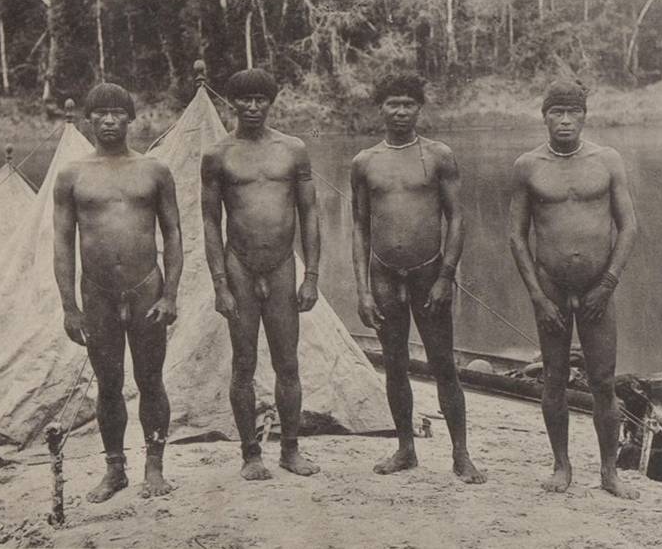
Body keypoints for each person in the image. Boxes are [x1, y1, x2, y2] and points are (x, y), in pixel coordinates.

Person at [350, 72, 484, 484]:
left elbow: (457, 218)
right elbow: (359, 227)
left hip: (430, 272)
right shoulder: (365, 162)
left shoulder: (439, 155)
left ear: (420, 108)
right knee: (394, 364)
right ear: (380, 108)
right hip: (384, 275)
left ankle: (461, 454)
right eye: (393, 104)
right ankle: (405, 449)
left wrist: (446, 275)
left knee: (444, 364)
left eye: (408, 104)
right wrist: (363, 290)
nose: (400, 111)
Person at [508, 79, 640, 499]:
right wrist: (537, 297)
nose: (565, 121)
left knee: (603, 380)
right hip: (550, 286)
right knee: (554, 377)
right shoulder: (528, 166)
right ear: (544, 117)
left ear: (585, 116)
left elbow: (628, 226)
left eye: (573, 112)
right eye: (556, 112)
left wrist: (609, 282)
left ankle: (609, 472)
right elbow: (516, 236)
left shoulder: (607, 160)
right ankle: (561, 465)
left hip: (599, 285)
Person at [53, 83, 183, 502]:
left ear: (131, 118)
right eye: (101, 114)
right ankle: (114, 469)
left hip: (147, 289)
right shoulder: (72, 175)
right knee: (108, 384)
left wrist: (170, 294)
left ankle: (154, 465)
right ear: (88, 120)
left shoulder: (154, 170)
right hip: (97, 294)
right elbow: (62, 243)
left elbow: (174, 233)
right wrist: (69, 307)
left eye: (117, 113)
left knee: (151, 380)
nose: (109, 121)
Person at [200, 68, 321, 481]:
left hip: (283, 265)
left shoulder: (293, 149)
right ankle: (250, 454)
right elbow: (210, 221)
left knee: (288, 363)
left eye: (260, 100)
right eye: (245, 100)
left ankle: (290, 450)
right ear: (232, 103)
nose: (252, 107)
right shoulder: (218, 155)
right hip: (239, 266)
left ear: (271, 102)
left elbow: (309, 212)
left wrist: (312, 276)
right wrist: (220, 283)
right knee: (243, 363)